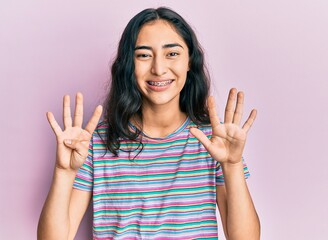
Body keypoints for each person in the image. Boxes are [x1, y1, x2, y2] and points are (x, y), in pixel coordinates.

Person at [38, 7, 260, 240]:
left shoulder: (213, 140)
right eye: (143, 55)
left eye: (172, 54)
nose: (158, 69)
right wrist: (63, 172)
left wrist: (232, 165)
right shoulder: (97, 141)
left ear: (189, 62)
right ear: (128, 65)